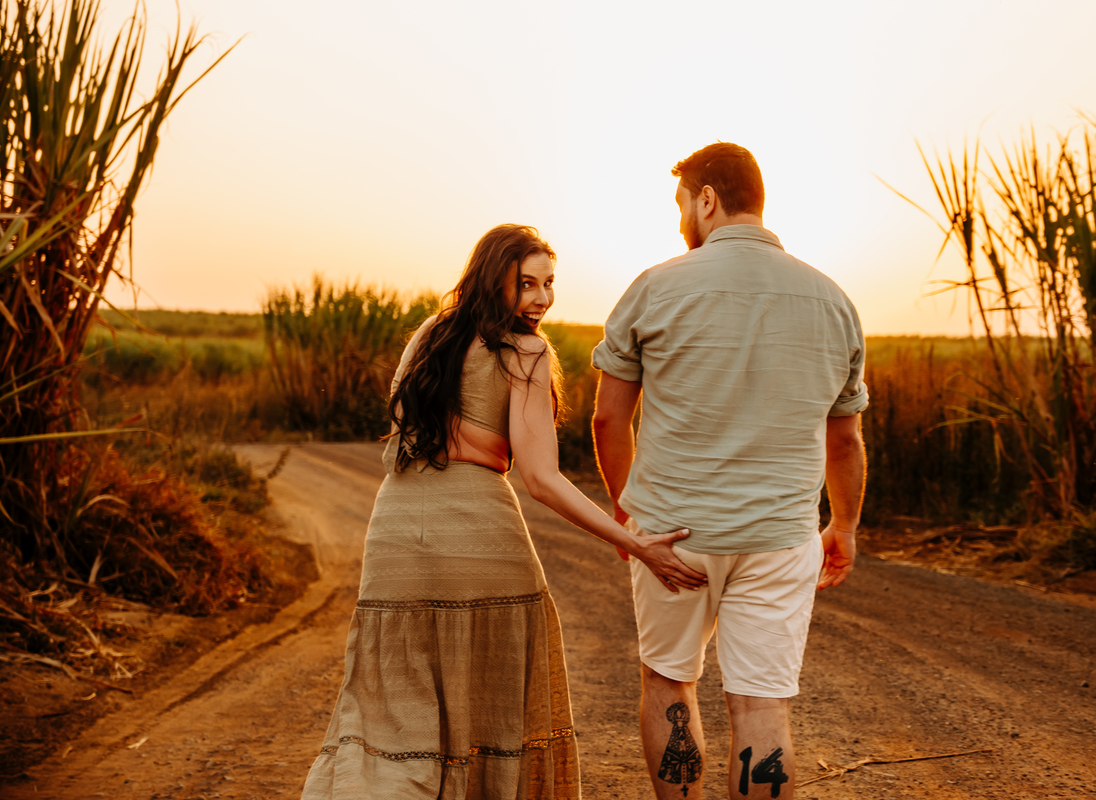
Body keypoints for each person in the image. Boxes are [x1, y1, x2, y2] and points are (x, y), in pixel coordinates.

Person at [300, 224, 707, 800]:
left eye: (549, 284)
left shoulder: (427, 336)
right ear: (495, 280)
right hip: (479, 530)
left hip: (393, 532)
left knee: (393, 711)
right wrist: (635, 540)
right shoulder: (527, 352)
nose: (542, 299)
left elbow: (401, 438)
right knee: (494, 707)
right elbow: (540, 479)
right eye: (527, 284)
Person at [591, 143, 868, 800]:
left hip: (672, 537)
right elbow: (846, 438)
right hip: (778, 538)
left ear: (707, 199)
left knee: (668, 682)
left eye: (683, 203)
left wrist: (628, 512)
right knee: (762, 705)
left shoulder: (655, 287)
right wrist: (845, 525)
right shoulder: (832, 300)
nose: (681, 219)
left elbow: (608, 420)